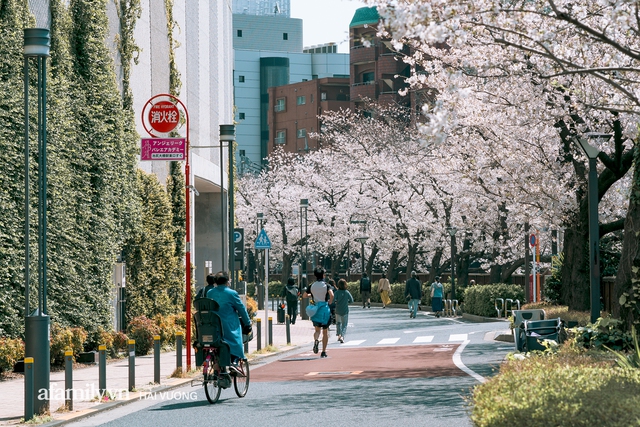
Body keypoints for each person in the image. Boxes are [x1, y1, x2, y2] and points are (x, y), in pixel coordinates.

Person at [206, 271, 252, 387]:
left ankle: (217, 367)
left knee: (217, 345)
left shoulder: (210, 292)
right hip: (228, 326)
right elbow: (241, 309)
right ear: (227, 281)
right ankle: (234, 362)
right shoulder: (232, 293)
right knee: (236, 340)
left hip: (212, 327)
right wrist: (247, 323)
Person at [303, 266, 334, 358]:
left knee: (317, 330)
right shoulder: (326, 285)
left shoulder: (312, 285)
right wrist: (330, 301)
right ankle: (323, 351)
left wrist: (312, 295)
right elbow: (331, 294)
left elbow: (304, 295)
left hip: (316, 309)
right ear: (323, 275)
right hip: (324, 309)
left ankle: (316, 340)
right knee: (325, 331)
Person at [334, 278, 353, 343]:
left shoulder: (336, 292)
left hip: (338, 310)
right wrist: (347, 301)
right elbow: (351, 300)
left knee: (338, 323)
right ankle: (342, 336)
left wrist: (336, 302)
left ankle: (339, 335)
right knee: (344, 324)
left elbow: (333, 300)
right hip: (345, 310)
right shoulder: (347, 292)